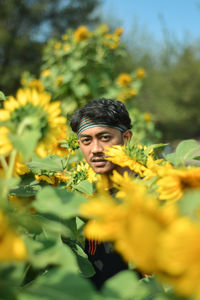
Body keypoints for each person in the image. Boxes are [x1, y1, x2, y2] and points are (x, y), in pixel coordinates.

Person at [70, 98, 135, 289]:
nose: (95, 149)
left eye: (105, 137)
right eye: (86, 140)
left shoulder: (146, 191)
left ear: (126, 138)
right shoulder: (88, 191)